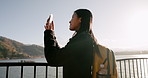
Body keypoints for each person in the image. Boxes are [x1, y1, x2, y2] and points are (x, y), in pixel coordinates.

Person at [44, 9, 97, 78]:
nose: (69, 21)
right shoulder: (86, 38)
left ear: (80, 19)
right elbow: (61, 54)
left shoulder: (81, 40)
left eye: (72, 17)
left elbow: (54, 58)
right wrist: (51, 34)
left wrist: (49, 33)